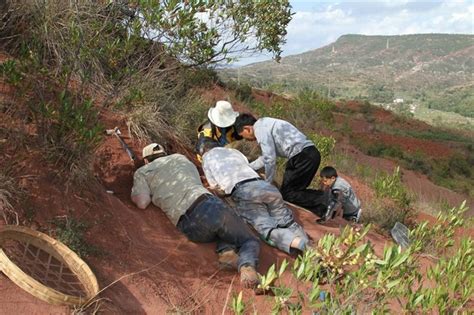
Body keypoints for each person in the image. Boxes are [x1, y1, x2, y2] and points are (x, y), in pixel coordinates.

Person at [131, 143, 260, 288]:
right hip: (207, 205)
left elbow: (142, 203)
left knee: (222, 231)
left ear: (146, 160)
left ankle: (227, 253)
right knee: (248, 239)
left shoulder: (143, 171)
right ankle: (247, 265)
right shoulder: (181, 159)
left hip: (188, 227)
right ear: (164, 154)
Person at [201, 141, 309, 254]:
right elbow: (248, 167)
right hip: (265, 186)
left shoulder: (207, 158)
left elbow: (215, 187)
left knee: (267, 229)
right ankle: (315, 252)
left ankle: (304, 246)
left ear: (203, 151)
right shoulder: (233, 151)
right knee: (288, 222)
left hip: (246, 192)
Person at [234, 113, 326, 214]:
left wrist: (267, 185)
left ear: (247, 129)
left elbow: (270, 159)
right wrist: (248, 167)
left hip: (302, 156)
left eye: (244, 136)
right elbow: (265, 158)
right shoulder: (265, 124)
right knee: (294, 191)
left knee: (288, 194)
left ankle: (327, 199)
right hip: (310, 154)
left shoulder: (260, 129)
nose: (247, 140)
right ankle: (323, 208)